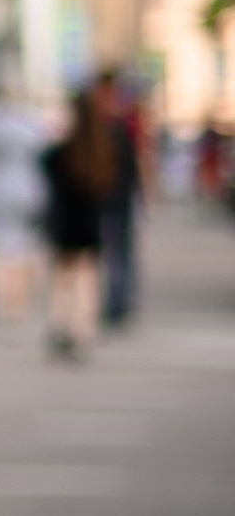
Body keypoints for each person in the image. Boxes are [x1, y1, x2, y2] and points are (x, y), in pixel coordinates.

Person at [0, 92, 50, 331]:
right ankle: (20, 303)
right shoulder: (34, 126)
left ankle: (5, 305)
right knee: (26, 249)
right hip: (31, 191)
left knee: (0, 251)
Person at [41, 86, 109, 360]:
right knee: (87, 277)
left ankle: (60, 324)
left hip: (65, 221)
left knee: (63, 277)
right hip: (90, 220)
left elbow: (44, 166)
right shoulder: (102, 149)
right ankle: (84, 329)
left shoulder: (63, 151)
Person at [92, 65, 144, 325]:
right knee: (117, 249)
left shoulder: (103, 117)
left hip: (109, 193)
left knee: (114, 249)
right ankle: (118, 300)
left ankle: (117, 300)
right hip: (113, 193)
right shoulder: (121, 116)